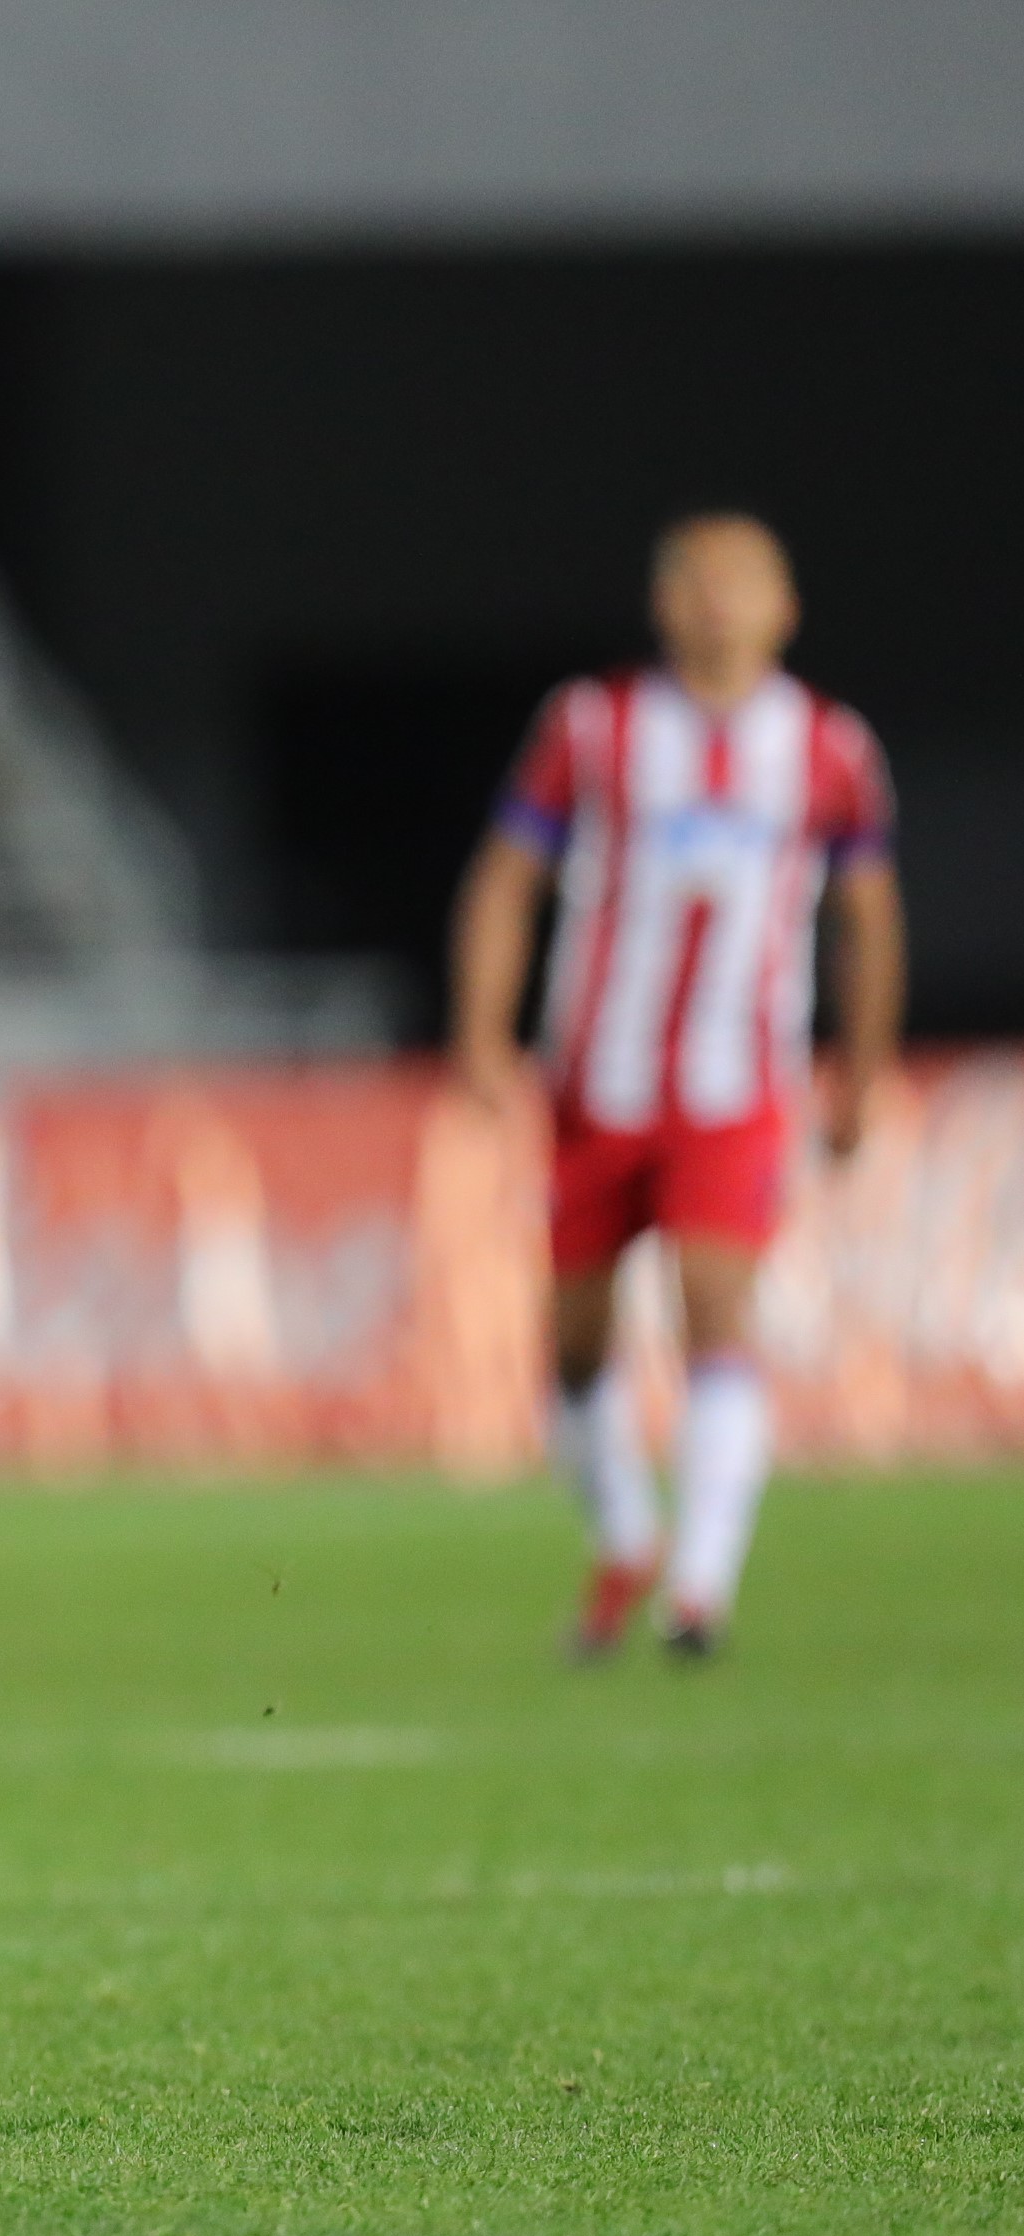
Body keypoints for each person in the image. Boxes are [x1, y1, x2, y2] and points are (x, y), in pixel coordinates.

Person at [449, 513, 903, 1661]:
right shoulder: (593, 726)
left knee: (717, 1301)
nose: (715, 599)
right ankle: (623, 1537)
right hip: (595, 1082)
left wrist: (862, 1064)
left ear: (784, 607)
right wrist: (480, 1031)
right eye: (694, 579)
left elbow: (867, 915)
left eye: (739, 580)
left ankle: (700, 1591)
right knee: (576, 1345)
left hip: (737, 1082)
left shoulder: (828, 747)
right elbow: (507, 879)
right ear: (662, 603)